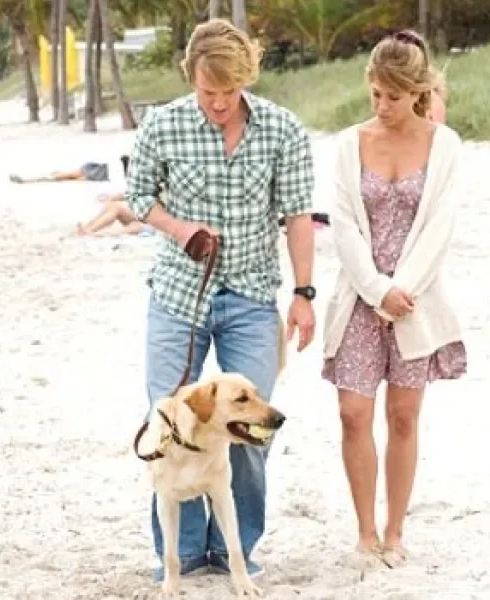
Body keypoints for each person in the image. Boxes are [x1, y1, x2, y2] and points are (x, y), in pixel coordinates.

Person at [125, 19, 316, 580]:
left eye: (229, 92)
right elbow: (138, 199)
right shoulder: (163, 124)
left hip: (254, 296)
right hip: (179, 296)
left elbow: (299, 216)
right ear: (192, 78)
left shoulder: (283, 129)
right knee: (170, 418)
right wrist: (180, 228)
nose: (218, 103)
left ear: (245, 80)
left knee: (251, 429)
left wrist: (303, 293)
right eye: (209, 92)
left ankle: (236, 547)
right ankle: (181, 553)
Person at [321, 30, 467, 568]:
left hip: (417, 298)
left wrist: (402, 289)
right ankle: (364, 530)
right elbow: (341, 224)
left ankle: (395, 530)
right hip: (361, 296)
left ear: (419, 91)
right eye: (375, 94)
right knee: (352, 412)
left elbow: (441, 224)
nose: (382, 106)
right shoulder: (348, 143)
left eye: (394, 96)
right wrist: (378, 290)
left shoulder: (445, 145)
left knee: (404, 416)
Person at [9, 161, 110, 183]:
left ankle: (27, 180)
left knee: (71, 178)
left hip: (101, 172)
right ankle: (27, 179)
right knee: (71, 176)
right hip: (100, 171)